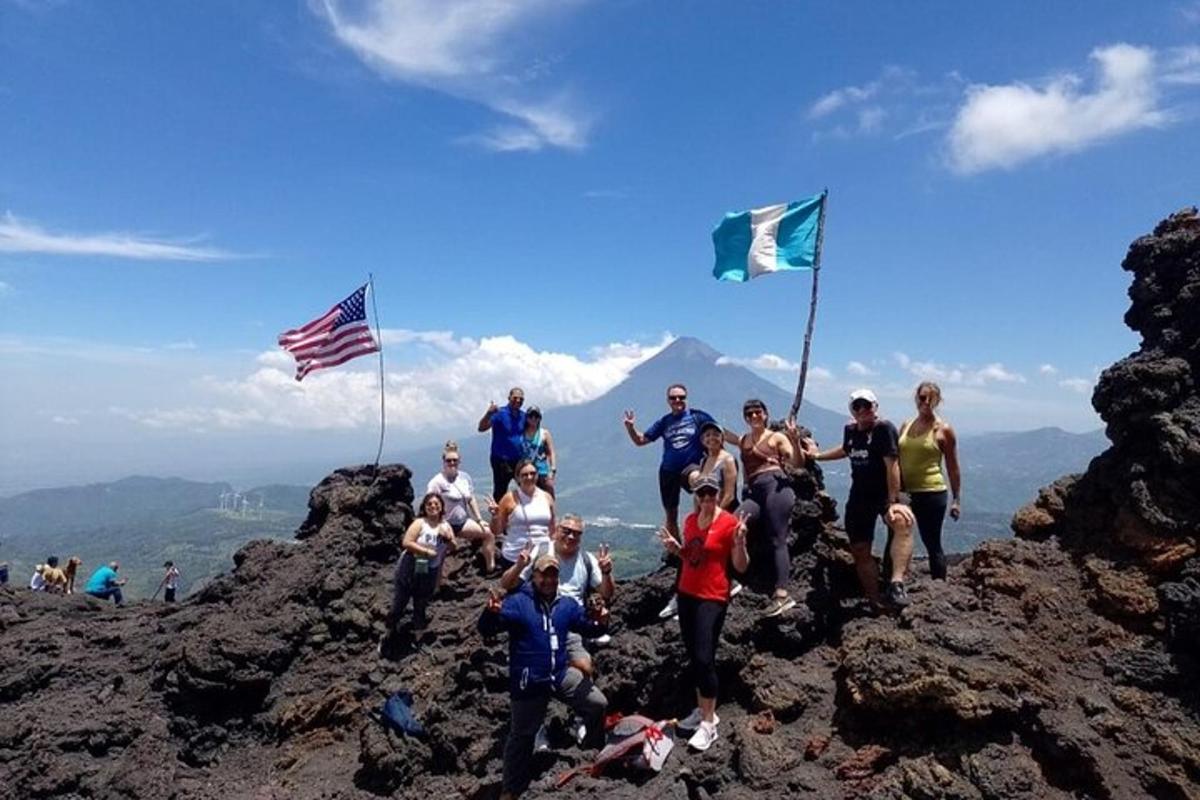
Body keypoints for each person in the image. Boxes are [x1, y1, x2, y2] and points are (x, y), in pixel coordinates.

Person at [480, 554, 608, 799]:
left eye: (553, 574)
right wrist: (490, 613)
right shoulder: (519, 602)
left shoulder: (566, 605)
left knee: (597, 704)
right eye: (543, 574)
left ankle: (590, 753)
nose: (549, 580)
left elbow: (588, 627)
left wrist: (601, 620)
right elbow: (487, 629)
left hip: (559, 673)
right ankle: (510, 790)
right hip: (529, 681)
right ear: (534, 576)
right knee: (522, 736)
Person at [657, 474, 749, 752]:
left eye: (711, 494)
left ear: (719, 494)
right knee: (695, 658)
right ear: (696, 497)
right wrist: (678, 550)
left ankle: (709, 724)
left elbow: (740, 567)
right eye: (702, 495)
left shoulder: (729, 523)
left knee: (704, 657)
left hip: (712, 597)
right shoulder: (689, 521)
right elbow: (693, 556)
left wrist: (741, 542)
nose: (707, 499)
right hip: (686, 594)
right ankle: (703, 709)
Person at [805, 389, 916, 609]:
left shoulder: (884, 429)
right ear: (851, 410)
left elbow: (892, 465)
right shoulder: (850, 429)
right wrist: (817, 455)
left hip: (885, 494)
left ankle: (896, 583)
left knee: (902, 523)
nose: (862, 410)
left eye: (867, 405)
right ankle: (875, 600)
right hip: (859, 496)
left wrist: (894, 502)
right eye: (857, 406)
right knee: (859, 549)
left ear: (875, 407)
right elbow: (847, 449)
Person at [499, 514, 615, 676]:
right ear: (556, 531)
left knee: (585, 668)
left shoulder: (586, 559)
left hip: (571, 622)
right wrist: (519, 566)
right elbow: (506, 584)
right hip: (537, 618)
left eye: (576, 533)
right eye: (566, 531)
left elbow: (607, 593)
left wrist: (606, 573)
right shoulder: (542, 550)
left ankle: (559, 671)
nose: (571, 536)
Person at [723, 399, 801, 618]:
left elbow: (795, 463)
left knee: (777, 538)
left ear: (766, 414)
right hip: (754, 492)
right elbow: (724, 435)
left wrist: (794, 441)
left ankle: (782, 594)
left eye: (757, 412)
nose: (753, 416)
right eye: (748, 414)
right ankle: (729, 580)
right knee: (732, 527)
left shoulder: (776, 437)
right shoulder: (744, 440)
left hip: (775, 485)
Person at [622, 384, 715, 542]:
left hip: (690, 466)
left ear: (686, 398)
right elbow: (641, 440)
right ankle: (676, 553)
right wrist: (631, 428)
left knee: (699, 482)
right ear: (668, 401)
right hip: (668, 470)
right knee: (671, 515)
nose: (677, 400)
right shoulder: (664, 422)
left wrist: (739, 444)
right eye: (673, 398)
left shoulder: (698, 417)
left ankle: (701, 534)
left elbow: (718, 433)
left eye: (681, 397)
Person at [898, 382, 962, 580]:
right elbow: (896, 459)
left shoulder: (943, 430)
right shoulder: (906, 425)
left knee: (931, 541)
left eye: (930, 398)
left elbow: (952, 467)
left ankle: (939, 588)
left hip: (931, 493)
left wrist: (956, 499)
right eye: (921, 397)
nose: (925, 402)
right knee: (898, 538)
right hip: (905, 492)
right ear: (915, 398)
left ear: (937, 401)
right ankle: (894, 584)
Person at [390, 492, 457, 646]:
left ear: (441, 507)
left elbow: (454, 547)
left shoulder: (445, 526)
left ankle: (418, 638)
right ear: (424, 507)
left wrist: (447, 538)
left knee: (421, 603)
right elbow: (407, 542)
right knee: (400, 601)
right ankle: (389, 633)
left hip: (430, 569)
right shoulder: (420, 523)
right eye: (429, 504)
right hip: (411, 565)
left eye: (436, 504)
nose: (433, 506)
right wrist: (425, 552)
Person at [427, 442, 497, 573]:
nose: (452, 463)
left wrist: (479, 519)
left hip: (462, 522)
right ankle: (436, 586)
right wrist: (438, 524)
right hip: (444, 523)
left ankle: (490, 569)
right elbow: (429, 505)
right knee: (440, 553)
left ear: (459, 461)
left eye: (455, 460)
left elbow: (470, 499)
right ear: (443, 461)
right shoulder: (437, 482)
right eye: (449, 460)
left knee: (488, 534)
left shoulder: (465, 478)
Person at [486, 459, 556, 567]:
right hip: (515, 557)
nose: (529, 477)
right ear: (518, 477)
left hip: (542, 558)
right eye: (525, 475)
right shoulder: (509, 498)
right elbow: (497, 531)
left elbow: (553, 529)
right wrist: (495, 516)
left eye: (533, 473)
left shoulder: (547, 497)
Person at [478, 387, 528, 502]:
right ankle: (498, 517)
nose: (518, 401)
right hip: (501, 460)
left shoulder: (523, 416)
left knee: (526, 488)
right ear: (509, 398)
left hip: (518, 460)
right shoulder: (499, 413)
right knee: (500, 492)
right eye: (515, 398)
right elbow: (481, 428)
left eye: (521, 399)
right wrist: (488, 414)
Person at [685, 420, 738, 512]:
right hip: (706, 512)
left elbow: (729, 496)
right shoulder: (704, 461)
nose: (711, 438)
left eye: (716, 434)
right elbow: (698, 493)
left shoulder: (728, 460)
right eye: (707, 435)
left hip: (725, 512)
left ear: (722, 438)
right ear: (702, 440)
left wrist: (716, 516)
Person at [521, 407, 557, 497]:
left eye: (536, 416)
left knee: (548, 496)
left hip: (542, 472)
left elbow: (551, 452)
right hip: (527, 472)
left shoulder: (544, 434)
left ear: (539, 418)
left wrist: (552, 469)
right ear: (527, 418)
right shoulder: (521, 433)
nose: (533, 419)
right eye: (531, 416)